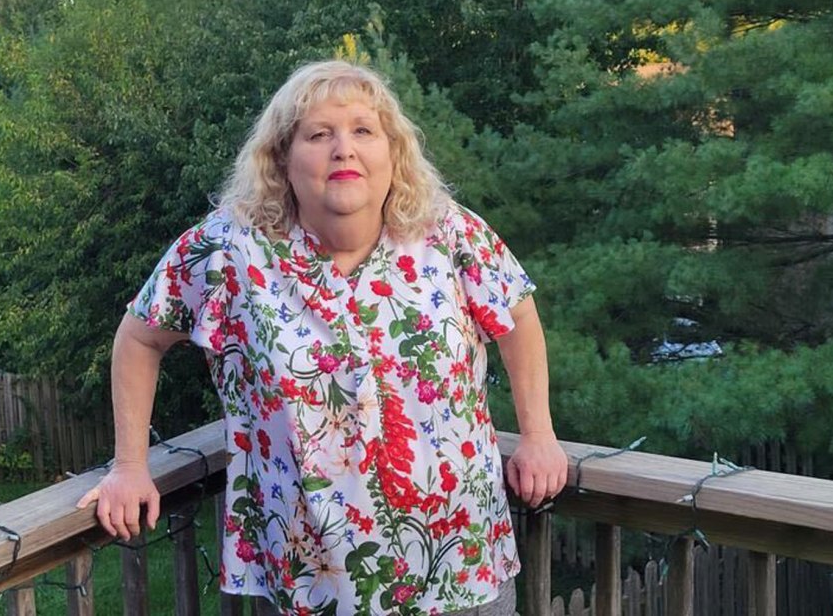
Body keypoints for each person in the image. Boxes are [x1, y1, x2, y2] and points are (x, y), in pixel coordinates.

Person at [77, 60, 568, 616]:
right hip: (305, 584)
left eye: (364, 130)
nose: (344, 148)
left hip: (459, 567)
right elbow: (140, 338)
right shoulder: (228, 249)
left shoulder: (447, 231)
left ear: (393, 152)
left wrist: (538, 434)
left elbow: (519, 315)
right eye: (318, 134)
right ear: (282, 158)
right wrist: (130, 466)